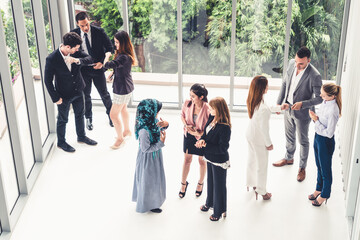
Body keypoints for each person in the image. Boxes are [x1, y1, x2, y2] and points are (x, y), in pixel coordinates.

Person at [273, 46, 323, 182]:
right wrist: (279, 104)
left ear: (309, 60)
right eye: (296, 62)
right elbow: (284, 84)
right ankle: (289, 158)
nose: (297, 65)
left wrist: (303, 104)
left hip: (302, 112)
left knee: (303, 141)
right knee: (289, 136)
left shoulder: (315, 75)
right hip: (287, 107)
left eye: (301, 63)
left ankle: (302, 167)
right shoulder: (291, 64)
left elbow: (320, 98)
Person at [44, 32, 98, 152]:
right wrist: (55, 98)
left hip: (78, 90)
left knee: (80, 114)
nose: (78, 49)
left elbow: (90, 59)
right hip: (63, 95)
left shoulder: (75, 52)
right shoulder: (52, 59)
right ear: (68, 47)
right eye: (76, 48)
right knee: (63, 119)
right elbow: (47, 81)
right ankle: (61, 142)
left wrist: (77, 60)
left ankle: (81, 136)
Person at [246, 76, 288, 200]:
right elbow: (264, 129)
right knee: (262, 165)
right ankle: (262, 191)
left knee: (252, 160)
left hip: (250, 134)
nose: (268, 87)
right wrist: (268, 143)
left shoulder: (254, 99)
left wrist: (280, 107)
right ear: (263, 88)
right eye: (267, 85)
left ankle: (251, 183)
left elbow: (266, 108)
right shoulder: (262, 107)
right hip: (258, 139)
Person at [71, 12, 113, 131]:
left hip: (98, 68)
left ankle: (111, 116)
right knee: (86, 95)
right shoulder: (74, 33)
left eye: (86, 24)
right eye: (82, 26)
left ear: (89, 20)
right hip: (83, 69)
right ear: (77, 24)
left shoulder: (99, 32)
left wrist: (102, 62)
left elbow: (110, 48)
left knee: (104, 93)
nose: (85, 28)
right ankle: (88, 119)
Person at [196, 97, 231, 221]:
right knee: (211, 182)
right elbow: (206, 134)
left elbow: (223, 148)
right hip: (209, 157)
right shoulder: (211, 118)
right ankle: (209, 203)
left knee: (219, 186)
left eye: (211, 108)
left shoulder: (225, 127)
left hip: (219, 160)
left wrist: (206, 145)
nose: (209, 109)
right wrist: (202, 140)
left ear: (219, 109)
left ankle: (219, 211)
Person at [132, 99, 169, 213]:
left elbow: (160, 128)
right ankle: (147, 203)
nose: (157, 114)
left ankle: (153, 201)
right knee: (148, 181)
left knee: (154, 180)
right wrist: (160, 143)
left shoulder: (152, 121)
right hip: (147, 160)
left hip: (155, 156)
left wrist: (166, 124)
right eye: (156, 111)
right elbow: (145, 149)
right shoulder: (144, 131)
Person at [308, 83, 342, 207]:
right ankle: (319, 188)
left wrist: (316, 121)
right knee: (319, 166)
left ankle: (325, 194)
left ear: (332, 96)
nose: (320, 95)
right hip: (317, 137)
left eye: (323, 94)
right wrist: (315, 118)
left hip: (325, 141)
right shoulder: (325, 102)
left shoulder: (333, 109)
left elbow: (329, 133)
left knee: (325, 170)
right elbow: (321, 121)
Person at [103, 31, 136, 149]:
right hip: (127, 87)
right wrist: (113, 73)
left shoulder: (123, 57)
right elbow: (120, 67)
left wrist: (106, 57)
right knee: (123, 109)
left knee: (113, 115)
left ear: (123, 43)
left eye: (117, 42)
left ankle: (120, 139)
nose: (115, 44)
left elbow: (107, 65)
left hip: (122, 89)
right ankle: (126, 131)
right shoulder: (125, 55)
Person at [179, 84, 210, 198]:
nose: (190, 98)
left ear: (201, 97)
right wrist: (186, 125)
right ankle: (183, 184)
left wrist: (199, 134)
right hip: (188, 135)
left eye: (193, 96)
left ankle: (200, 183)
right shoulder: (187, 103)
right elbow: (182, 115)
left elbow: (210, 127)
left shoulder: (207, 108)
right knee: (187, 159)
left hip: (201, 137)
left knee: (202, 161)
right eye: (190, 95)